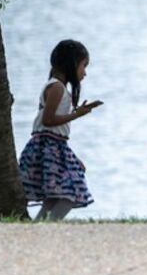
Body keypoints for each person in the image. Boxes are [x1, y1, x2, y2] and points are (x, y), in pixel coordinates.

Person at [18, 39, 102, 221]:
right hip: (49, 146)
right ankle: (46, 228)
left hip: (56, 145)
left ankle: (39, 229)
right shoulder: (56, 87)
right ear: (72, 64)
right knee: (71, 191)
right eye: (83, 66)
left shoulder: (59, 87)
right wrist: (77, 114)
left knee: (58, 194)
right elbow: (48, 121)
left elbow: (55, 128)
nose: (84, 73)